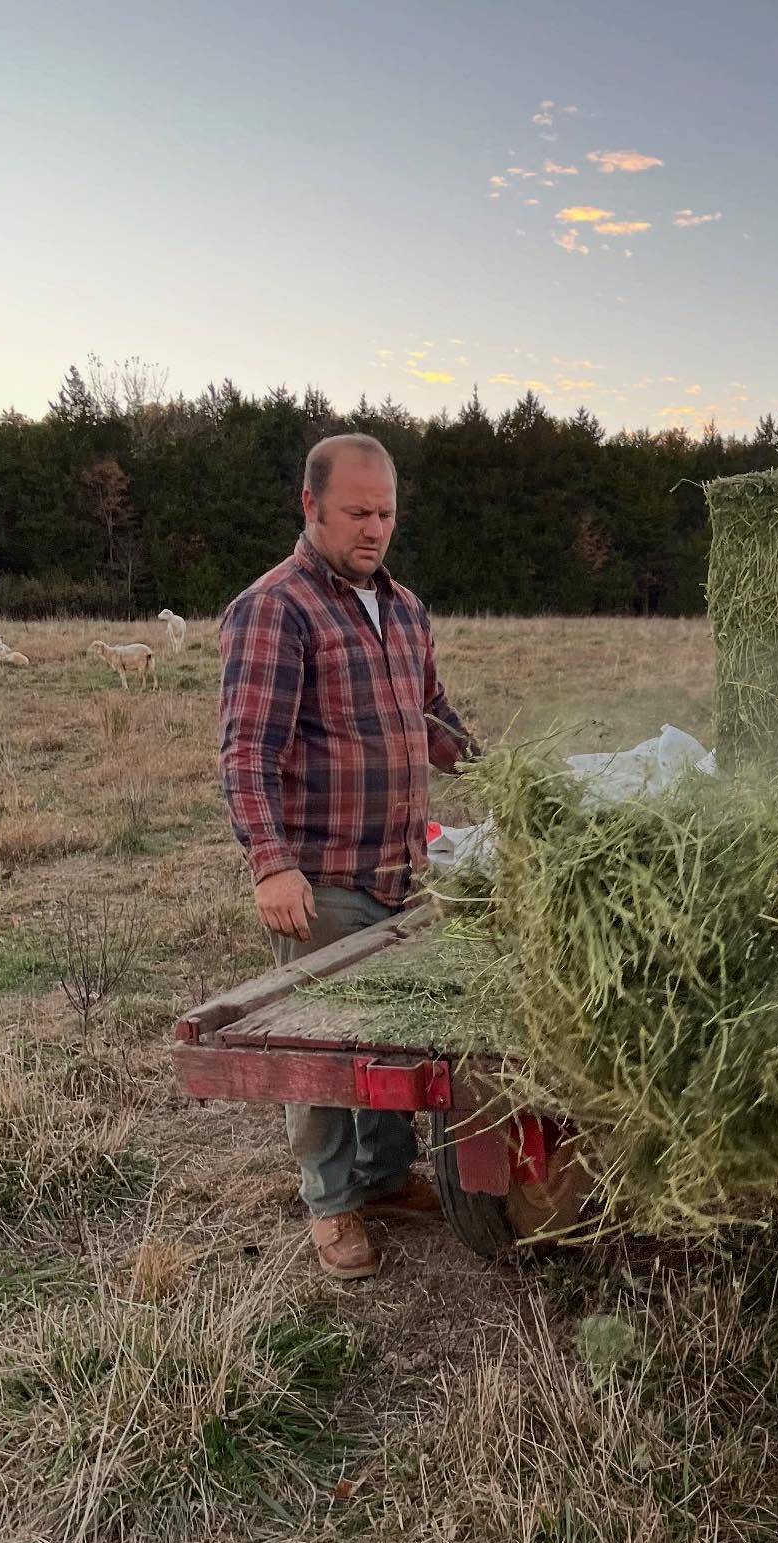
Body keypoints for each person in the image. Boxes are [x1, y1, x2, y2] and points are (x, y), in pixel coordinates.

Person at [219, 432, 477, 1278]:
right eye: (357, 512)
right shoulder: (276, 608)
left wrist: (482, 761)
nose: (374, 529)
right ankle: (330, 1207)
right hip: (323, 877)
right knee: (322, 1049)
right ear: (311, 507)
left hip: (402, 871)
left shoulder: (403, 609)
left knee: (396, 1035)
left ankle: (386, 1175)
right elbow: (247, 753)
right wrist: (270, 862)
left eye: (387, 513)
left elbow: (429, 711)